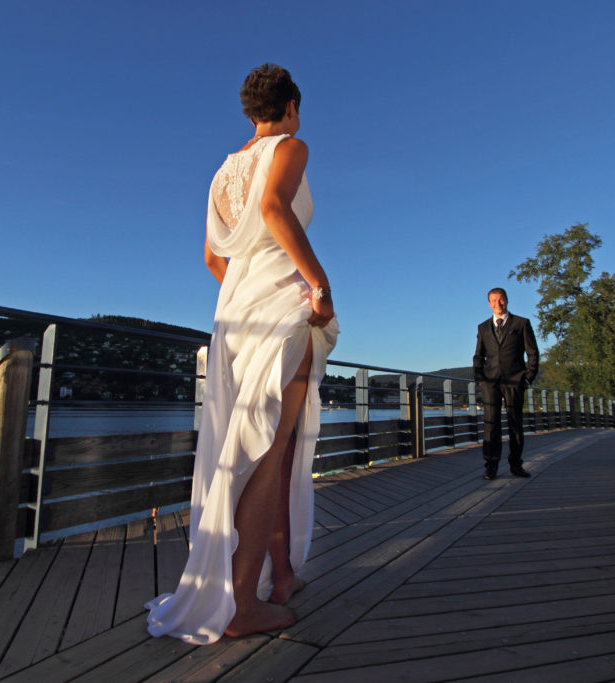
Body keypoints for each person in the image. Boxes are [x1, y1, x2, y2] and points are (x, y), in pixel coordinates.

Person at [146, 64, 338, 644]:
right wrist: (317, 287)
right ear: (291, 106)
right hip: (282, 308)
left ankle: (281, 576)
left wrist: (246, 291)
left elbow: (212, 259)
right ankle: (240, 606)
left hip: (234, 316)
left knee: (259, 448)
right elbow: (277, 210)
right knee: (270, 448)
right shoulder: (292, 145)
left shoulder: (223, 173)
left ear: (249, 110)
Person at [472, 287, 539, 480]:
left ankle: (516, 465)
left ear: (507, 300)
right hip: (490, 383)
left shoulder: (521, 323)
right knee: (491, 425)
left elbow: (532, 353)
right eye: (493, 301)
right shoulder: (483, 328)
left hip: (515, 381)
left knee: (515, 425)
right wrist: (480, 378)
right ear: (489, 303)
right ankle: (491, 467)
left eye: (500, 300)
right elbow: (479, 356)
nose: (497, 304)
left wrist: (528, 377)